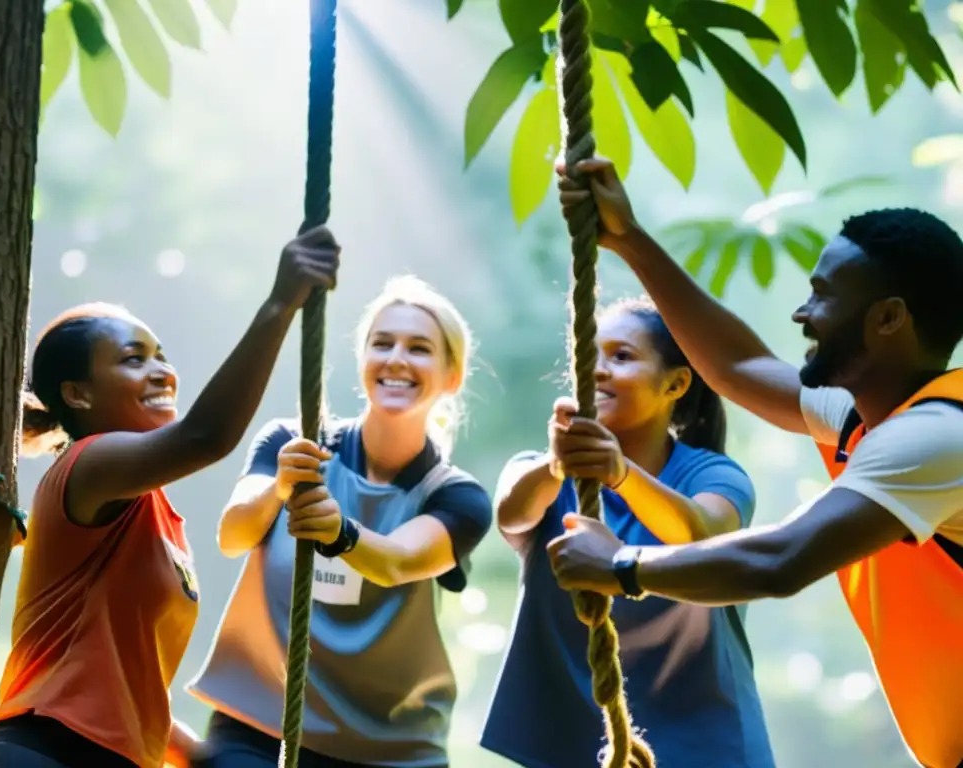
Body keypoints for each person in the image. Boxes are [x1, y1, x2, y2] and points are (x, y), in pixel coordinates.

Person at [549, 158, 963, 768]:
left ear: (889, 319)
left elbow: (779, 561)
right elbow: (737, 368)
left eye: (823, 296)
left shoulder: (934, 438)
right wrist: (627, 239)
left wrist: (620, 565)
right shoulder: (869, 415)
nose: (802, 313)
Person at [0, 227, 341, 768]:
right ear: (78, 394)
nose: (162, 371)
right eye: (132, 359)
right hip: (43, 752)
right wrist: (279, 304)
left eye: (160, 355)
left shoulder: (156, 514)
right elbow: (206, 437)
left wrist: (207, 758)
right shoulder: (86, 465)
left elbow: (123, 682)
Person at [186, 275, 494, 768]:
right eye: (382, 343)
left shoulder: (457, 497)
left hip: (390, 749)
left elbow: (397, 562)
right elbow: (233, 535)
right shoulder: (293, 442)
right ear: (363, 359)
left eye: (419, 348)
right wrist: (279, 488)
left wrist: (339, 532)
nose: (396, 359)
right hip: (262, 725)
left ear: (452, 376)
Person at [481, 297, 775, 768]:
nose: (597, 371)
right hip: (579, 746)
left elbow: (703, 537)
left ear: (676, 383)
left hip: (705, 748)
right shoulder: (542, 476)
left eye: (621, 356)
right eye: (588, 357)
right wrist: (557, 465)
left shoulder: (714, 477)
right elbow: (511, 514)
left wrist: (621, 474)